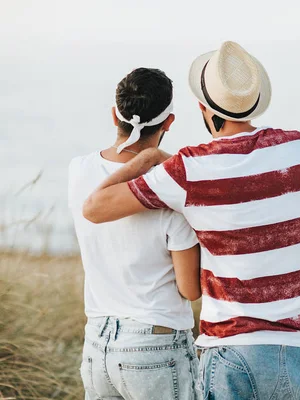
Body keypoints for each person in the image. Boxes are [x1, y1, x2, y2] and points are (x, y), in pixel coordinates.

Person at [82, 41, 300, 399]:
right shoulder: (298, 149)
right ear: (255, 103)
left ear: (203, 108)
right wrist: (276, 207)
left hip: (233, 351)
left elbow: (95, 208)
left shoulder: (190, 170)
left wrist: (147, 159)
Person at [68, 67, 201, 400]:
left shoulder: (79, 170)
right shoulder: (168, 191)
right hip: (155, 346)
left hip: (98, 342)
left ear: (115, 115)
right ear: (169, 122)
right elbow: (189, 289)